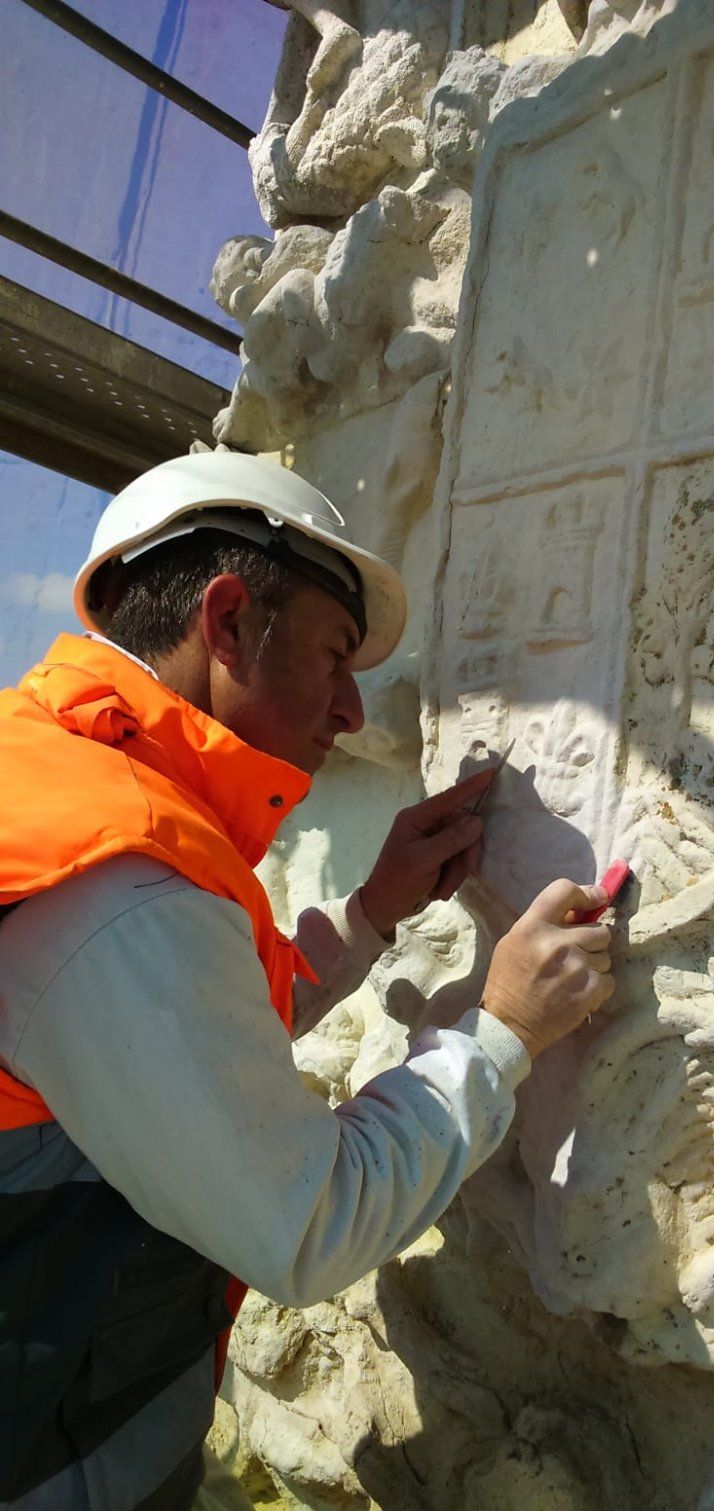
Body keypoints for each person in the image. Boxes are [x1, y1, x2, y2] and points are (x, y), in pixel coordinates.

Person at [0, 451, 614, 1509]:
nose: (348, 708)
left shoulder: (59, 776)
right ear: (229, 619)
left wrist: (373, 911)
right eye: (334, 656)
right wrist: (503, 1027)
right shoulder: (117, 872)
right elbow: (308, 1222)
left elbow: (165, 1049)